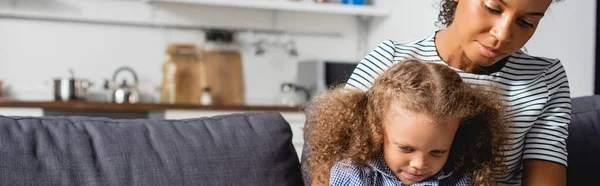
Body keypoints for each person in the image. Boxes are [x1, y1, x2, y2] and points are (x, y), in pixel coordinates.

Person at [338, 0, 570, 185]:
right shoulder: (389, 59)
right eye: (492, 8)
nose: (502, 34)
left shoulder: (545, 78)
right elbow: (332, 163)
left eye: (526, 22)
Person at [305, 60, 508, 185]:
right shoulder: (352, 176)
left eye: (437, 152)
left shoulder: (460, 181)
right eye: (406, 148)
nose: (419, 164)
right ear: (377, 128)